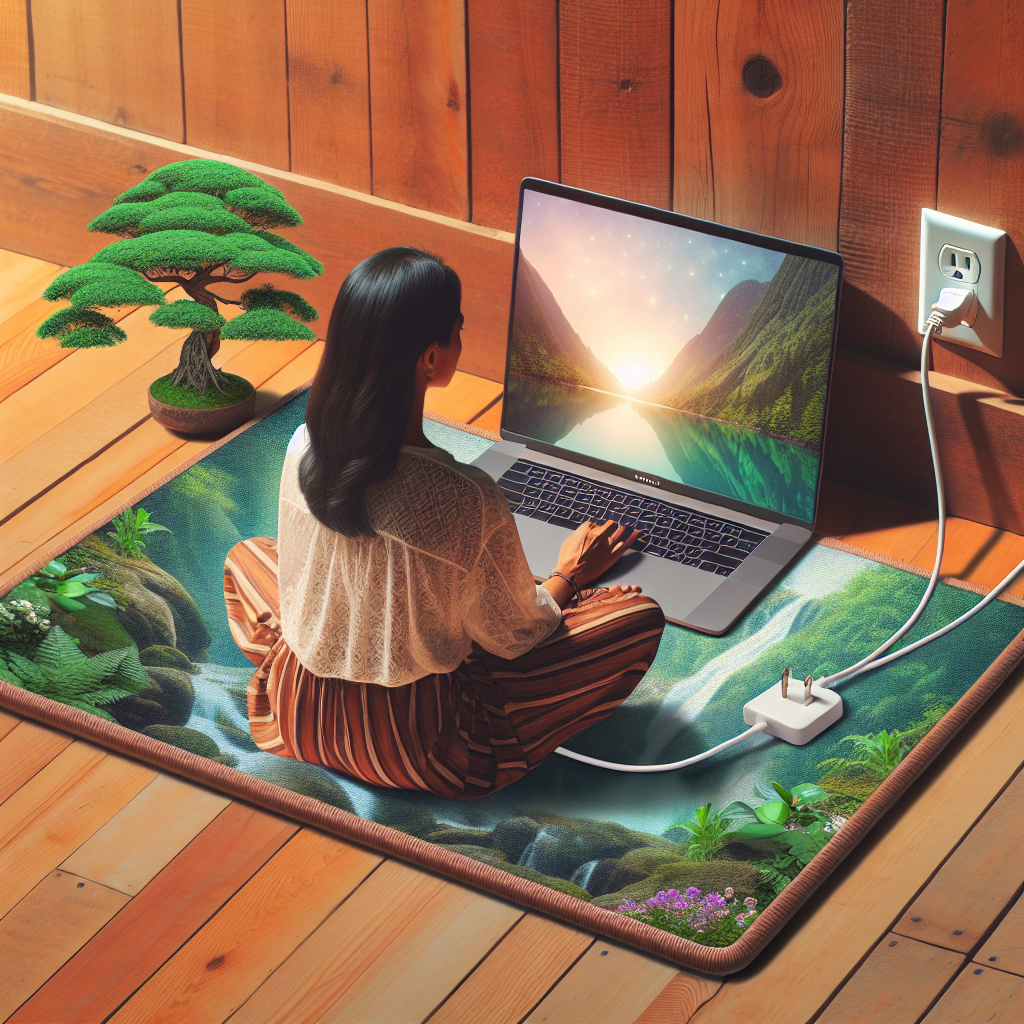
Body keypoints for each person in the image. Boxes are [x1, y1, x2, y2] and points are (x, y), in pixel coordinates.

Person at [223, 246, 665, 799]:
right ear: (430, 359)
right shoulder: (462, 496)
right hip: (416, 743)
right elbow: (515, 636)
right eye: (457, 332)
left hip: (296, 710)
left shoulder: (301, 444)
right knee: (638, 616)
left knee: (248, 555)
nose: (461, 341)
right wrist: (570, 576)